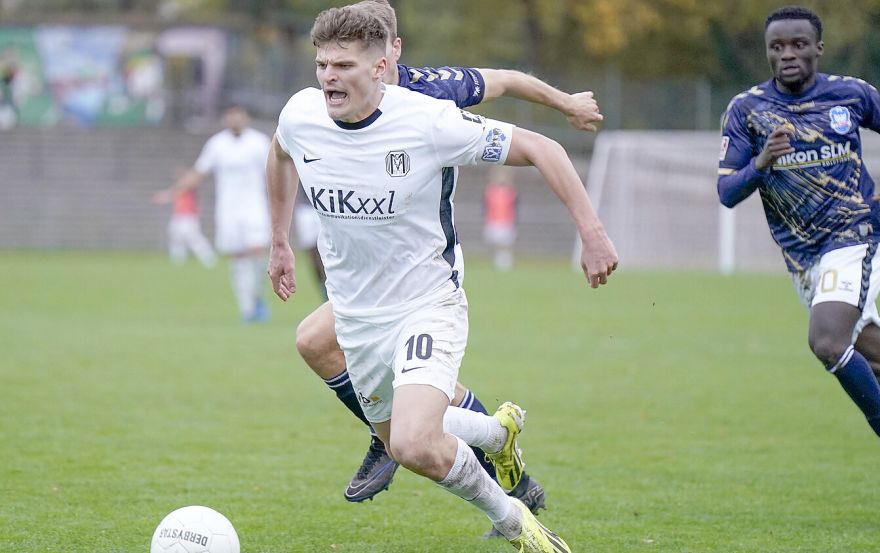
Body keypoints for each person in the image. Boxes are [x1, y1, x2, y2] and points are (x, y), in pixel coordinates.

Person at [268, 6, 617, 550]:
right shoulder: (301, 115)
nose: (328, 77)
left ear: (383, 64)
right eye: (321, 65)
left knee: (410, 442)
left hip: (427, 299)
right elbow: (280, 153)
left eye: (343, 65)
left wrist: (592, 232)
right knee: (403, 436)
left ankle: (517, 523)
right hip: (358, 313)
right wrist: (279, 239)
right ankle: (497, 433)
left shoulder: (429, 116)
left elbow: (540, 144)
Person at [717, 5, 880, 523]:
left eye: (798, 45)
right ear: (767, 51)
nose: (787, 54)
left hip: (857, 237)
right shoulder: (746, 110)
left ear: (818, 47)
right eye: (777, 47)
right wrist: (760, 163)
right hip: (804, 259)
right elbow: (727, 192)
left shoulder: (850, 94)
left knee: (826, 341)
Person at [154, 105, 271, 323]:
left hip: (254, 206)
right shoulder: (217, 144)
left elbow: (274, 173)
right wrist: (172, 193)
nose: (235, 120)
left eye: (239, 116)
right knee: (237, 255)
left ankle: (257, 296)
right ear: (226, 119)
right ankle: (246, 308)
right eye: (230, 116)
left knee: (257, 252)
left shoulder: (259, 142)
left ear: (245, 118)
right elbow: (198, 173)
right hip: (228, 209)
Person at [154, 181, 217, 268]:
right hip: (178, 217)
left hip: (188, 217)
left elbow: (172, 194)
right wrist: (161, 197)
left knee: (194, 238)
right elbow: (171, 194)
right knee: (176, 239)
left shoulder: (189, 188)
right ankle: (177, 261)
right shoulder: (179, 189)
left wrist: (163, 196)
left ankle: (209, 259)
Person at [483, 167, 519, 271]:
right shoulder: (489, 190)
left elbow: (514, 207)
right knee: (496, 243)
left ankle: (505, 263)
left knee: (505, 244)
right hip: (493, 220)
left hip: (506, 221)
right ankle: (498, 261)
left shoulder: (511, 191)